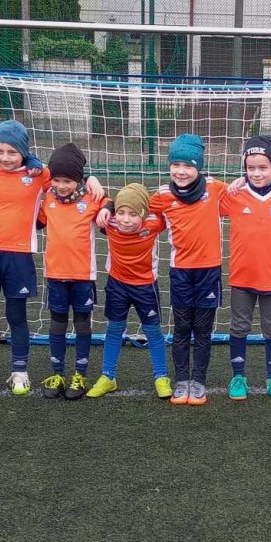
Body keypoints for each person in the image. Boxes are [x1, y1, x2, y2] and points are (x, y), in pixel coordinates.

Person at [0, 120, 51, 398]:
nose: (5, 158)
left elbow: (70, 178)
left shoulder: (39, 173)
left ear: (23, 151)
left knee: (17, 316)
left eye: (12, 152)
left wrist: (93, 181)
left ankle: (20, 371)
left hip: (19, 256)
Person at [219, 135, 271, 402]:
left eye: (263, 167)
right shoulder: (234, 194)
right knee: (239, 327)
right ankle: (238, 376)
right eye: (251, 168)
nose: (256, 173)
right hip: (241, 276)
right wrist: (232, 184)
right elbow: (208, 198)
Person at [148, 133, 227, 406]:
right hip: (181, 272)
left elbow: (244, 191)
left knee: (202, 330)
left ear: (199, 167)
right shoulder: (162, 195)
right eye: (176, 164)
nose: (181, 171)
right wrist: (108, 205)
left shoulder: (215, 188)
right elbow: (133, 205)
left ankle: (199, 382)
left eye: (188, 165)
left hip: (209, 272)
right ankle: (182, 380)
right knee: (182, 328)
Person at [37, 143, 111, 400]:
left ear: (78, 179)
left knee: (82, 325)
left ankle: (80, 375)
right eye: (56, 180)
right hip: (55, 275)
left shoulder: (91, 197)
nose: (61, 185)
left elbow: (112, 204)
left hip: (82, 276)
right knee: (57, 325)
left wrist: (106, 207)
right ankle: (57, 373)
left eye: (67, 181)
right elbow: (36, 221)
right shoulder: (47, 197)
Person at [86, 183, 172, 400]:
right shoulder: (109, 221)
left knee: (152, 331)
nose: (125, 219)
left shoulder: (154, 223)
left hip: (145, 286)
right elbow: (98, 199)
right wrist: (107, 206)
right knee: (115, 328)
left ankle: (161, 376)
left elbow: (168, 204)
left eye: (133, 214)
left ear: (143, 213)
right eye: (121, 212)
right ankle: (108, 376)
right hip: (117, 285)